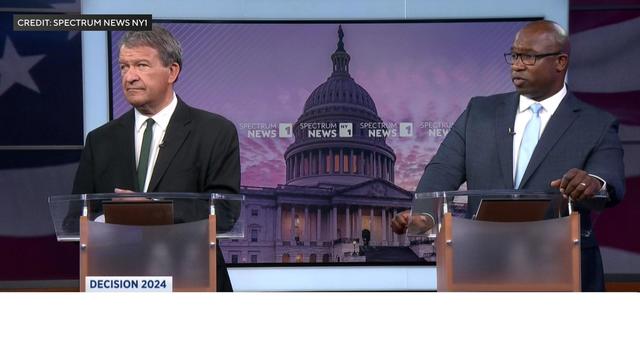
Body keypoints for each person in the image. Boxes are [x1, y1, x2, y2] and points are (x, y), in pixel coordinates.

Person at [391, 20, 625, 291]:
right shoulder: (478, 112)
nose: (516, 64)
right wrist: (424, 215)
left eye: (528, 56)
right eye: (514, 55)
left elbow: (608, 180)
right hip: (485, 267)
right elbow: (442, 169)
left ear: (560, 62)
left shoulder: (596, 123)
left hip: (564, 269)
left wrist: (592, 183)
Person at [72, 25, 240, 292]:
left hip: (193, 279)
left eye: (141, 65)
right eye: (124, 67)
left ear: (172, 71)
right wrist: (111, 219)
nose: (130, 77)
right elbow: (74, 217)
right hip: (119, 283)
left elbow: (226, 212)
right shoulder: (100, 140)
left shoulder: (215, 131)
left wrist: (153, 210)